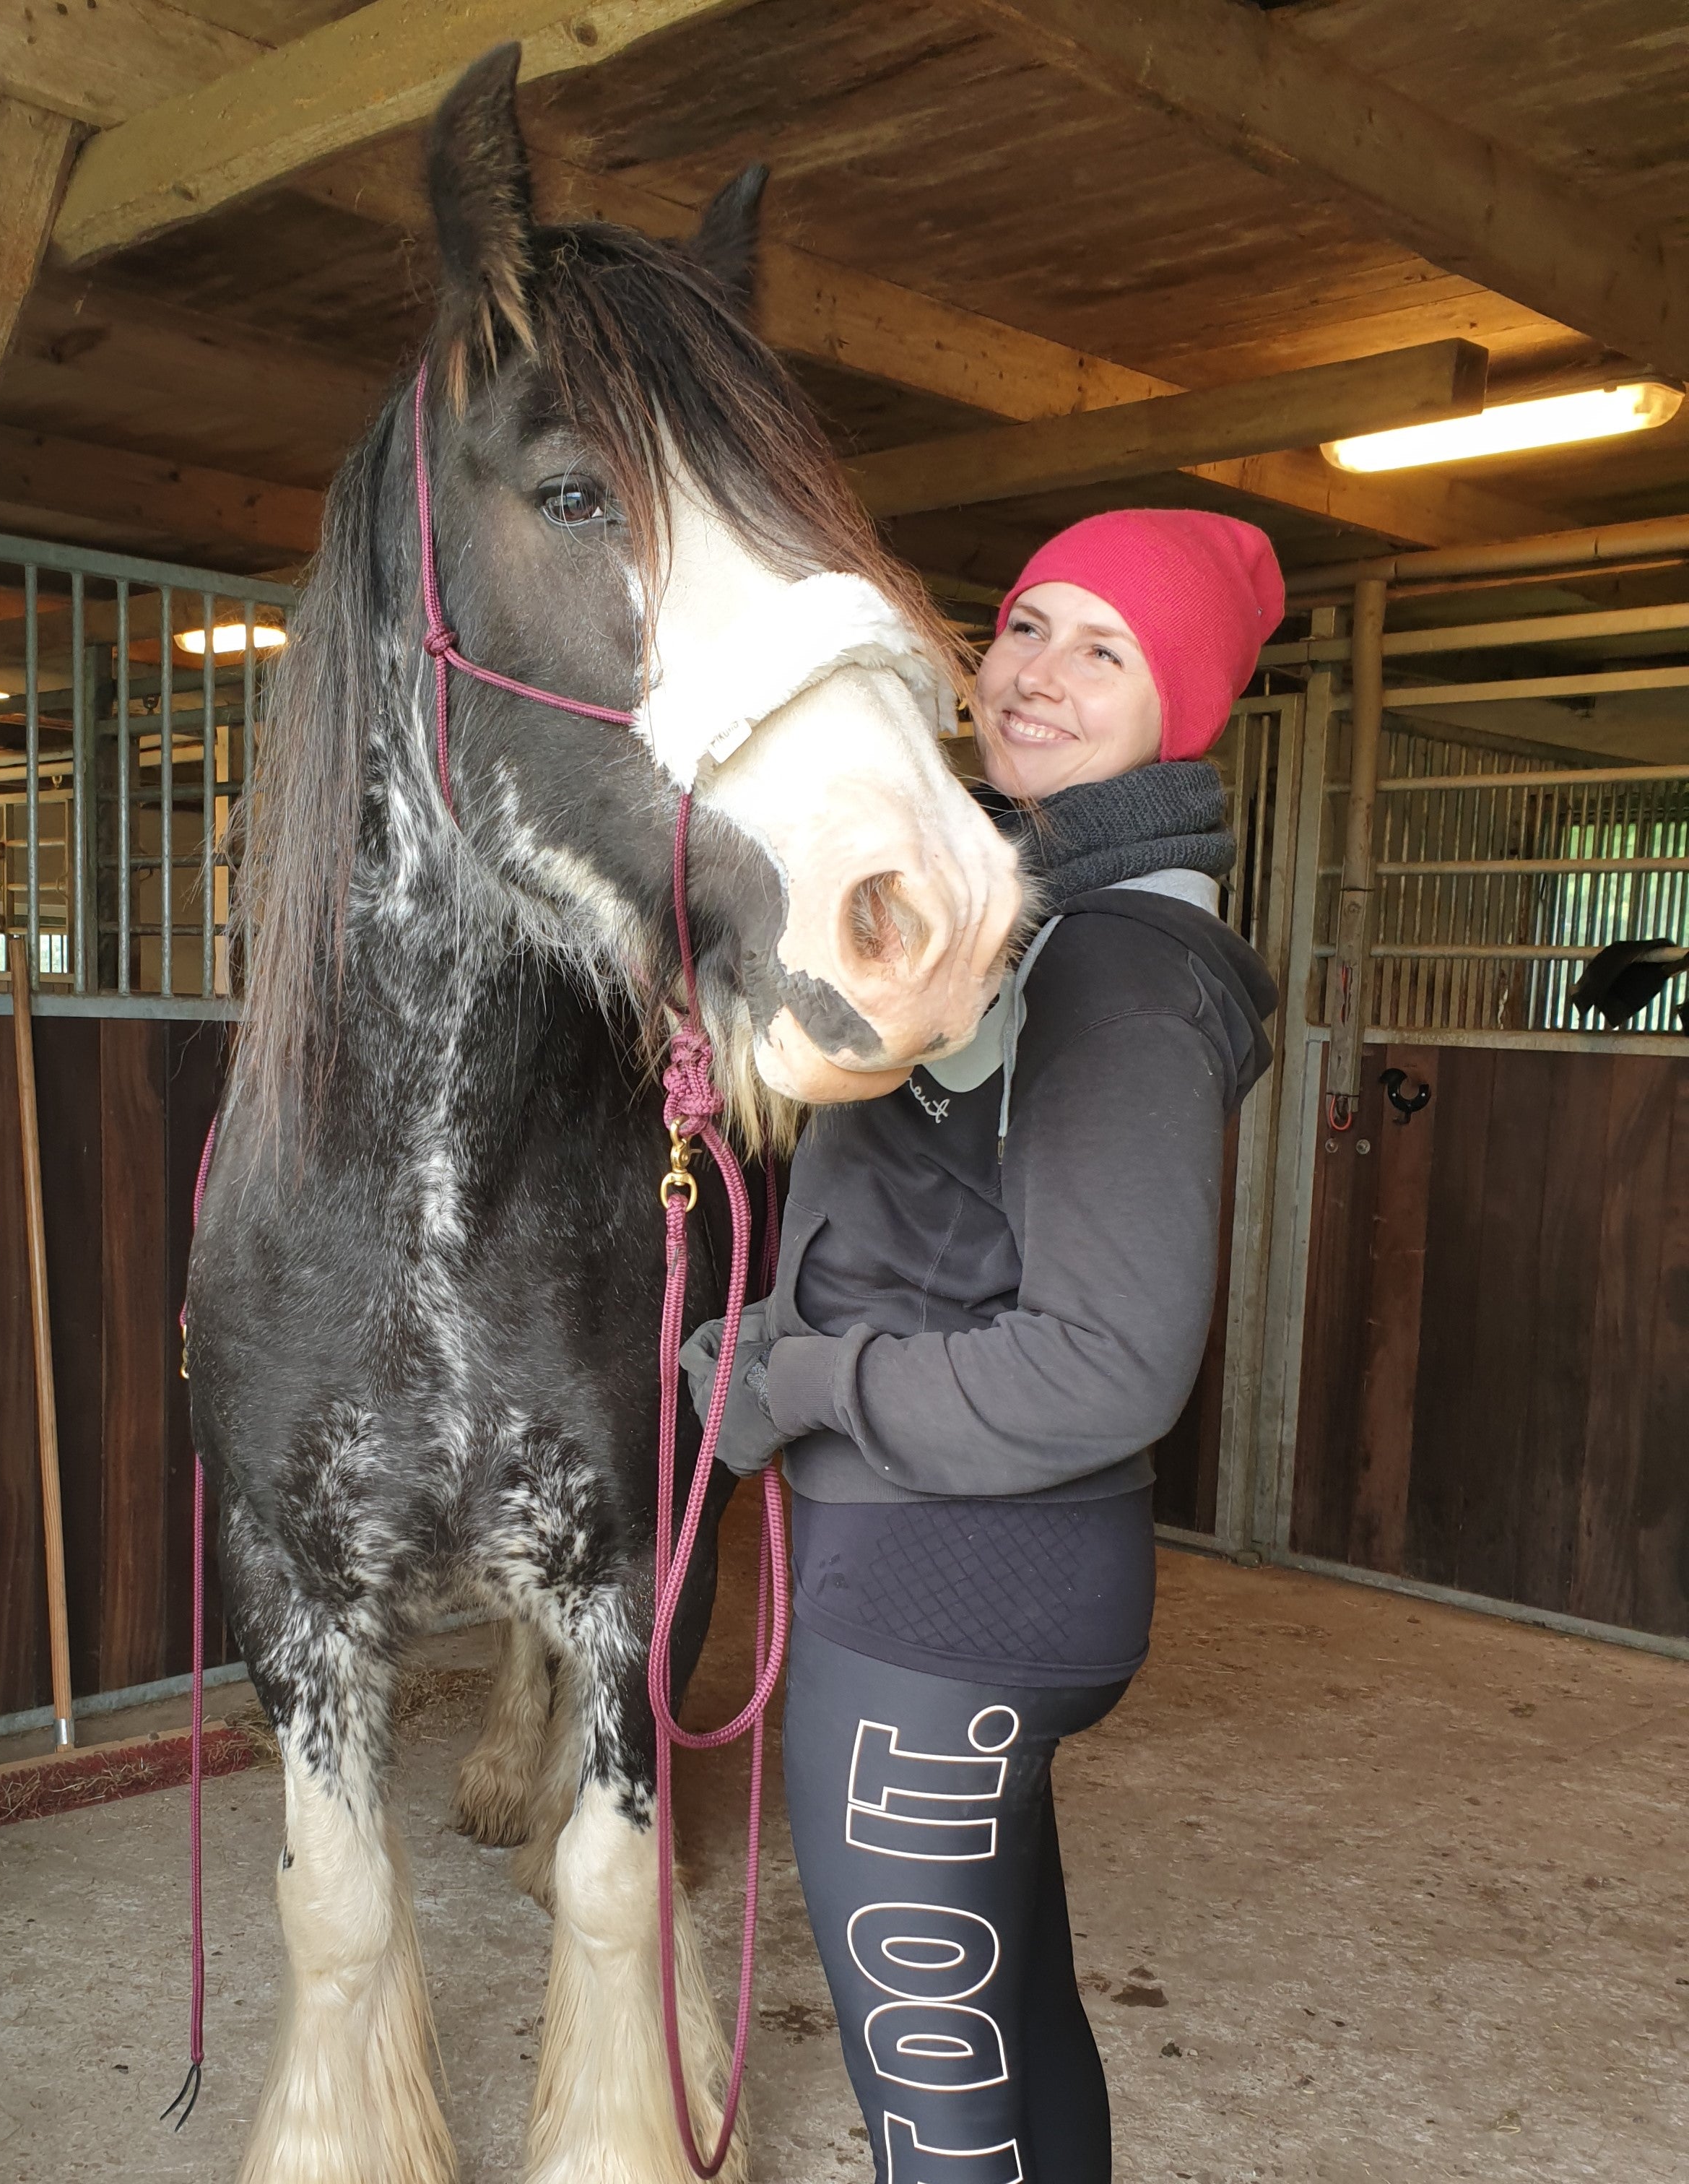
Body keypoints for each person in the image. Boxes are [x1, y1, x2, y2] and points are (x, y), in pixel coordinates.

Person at [682, 508, 1285, 2184]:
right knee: (1014, 2031)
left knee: (933, 2101)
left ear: (1189, 707)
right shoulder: (1022, 922)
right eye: (1029, 624)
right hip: (974, 1587)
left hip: (952, 1604)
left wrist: (796, 1385)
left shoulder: (1119, 973)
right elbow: (945, 1232)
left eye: (1111, 649)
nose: (1040, 675)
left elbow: (1104, 1362)